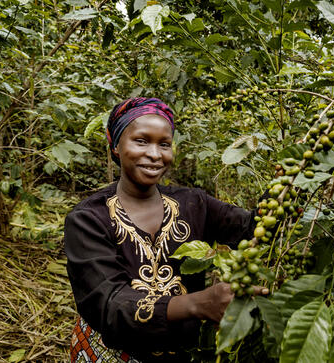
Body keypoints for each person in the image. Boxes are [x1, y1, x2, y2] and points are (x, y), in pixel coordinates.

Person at [64, 97, 268, 362]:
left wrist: (299, 172)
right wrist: (199, 304)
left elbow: (253, 228)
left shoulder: (194, 203)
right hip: (110, 354)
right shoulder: (88, 218)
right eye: (141, 141)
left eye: (164, 144)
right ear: (116, 145)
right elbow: (111, 304)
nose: (155, 154)